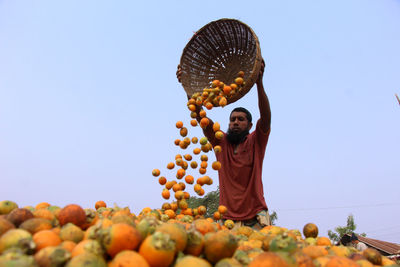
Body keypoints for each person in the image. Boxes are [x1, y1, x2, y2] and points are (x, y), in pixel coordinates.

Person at [177, 59, 272, 229]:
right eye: (232, 119)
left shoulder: (255, 141)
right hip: (227, 218)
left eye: (240, 120)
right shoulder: (220, 142)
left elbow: (265, 118)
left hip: (256, 216)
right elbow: (201, 117)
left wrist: (259, 84)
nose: (235, 122)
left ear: (250, 126)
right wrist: (188, 89)